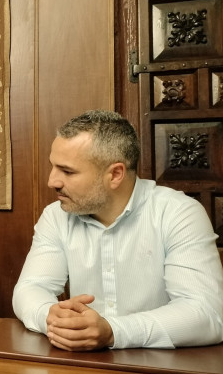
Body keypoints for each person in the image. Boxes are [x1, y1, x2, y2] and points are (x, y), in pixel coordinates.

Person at [12, 110, 223, 350]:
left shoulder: (179, 214)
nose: (53, 181)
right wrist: (50, 317)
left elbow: (206, 314)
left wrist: (113, 332)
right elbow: (31, 288)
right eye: (53, 167)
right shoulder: (56, 216)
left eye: (67, 171)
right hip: (82, 370)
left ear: (115, 174)